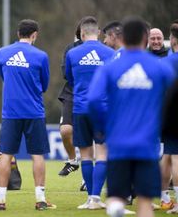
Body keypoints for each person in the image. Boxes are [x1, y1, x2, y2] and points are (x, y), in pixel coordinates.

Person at [88, 16, 175, 217]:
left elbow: (93, 100)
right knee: (145, 203)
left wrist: (103, 126)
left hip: (118, 143)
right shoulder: (160, 67)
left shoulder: (110, 67)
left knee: (117, 198)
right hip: (147, 143)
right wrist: (166, 128)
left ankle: (116, 209)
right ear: (145, 37)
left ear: (123, 38)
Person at [0, 19, 55, 211]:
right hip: (34, 111)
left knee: (6, 154)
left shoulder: (2, 52)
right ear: (34, 34)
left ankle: (0, 200)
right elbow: (44, 85)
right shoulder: (41, 56)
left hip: (10, 112)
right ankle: (40, 199)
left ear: (18, 33)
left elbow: (3, 76)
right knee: (37, 154)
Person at [65, 16, 115, 210]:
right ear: (99, 32)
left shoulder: (73, 53)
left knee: (85, 154)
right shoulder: (110, 53)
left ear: (82, 33)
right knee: (102, 153)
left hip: (80, 108)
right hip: (103, 109)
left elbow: (70, 79)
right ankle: (96, 197)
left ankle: (89, 199)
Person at [157, 19, 178, 212]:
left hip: (171, 114)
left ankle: (166, 198)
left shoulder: (165, 63)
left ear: (172, 40)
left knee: (171, 155)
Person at [57, 23, 82, 177]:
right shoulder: (70, 49)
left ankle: (87, 180)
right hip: (71, 93)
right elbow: (65, 73)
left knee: (93, 139)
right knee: (66, 130)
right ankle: (72, 161)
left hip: (94, 96)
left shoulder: (101, 50)